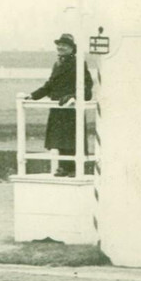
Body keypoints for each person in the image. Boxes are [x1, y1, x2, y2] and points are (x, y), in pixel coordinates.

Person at [25, 33, 93, 177]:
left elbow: (87, 87)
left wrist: (73, 97)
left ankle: (74, 168)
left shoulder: (78, 63)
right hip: (58, 107)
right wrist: (33, 95)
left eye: (64, 45)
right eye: (59, 44)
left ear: (71, 48)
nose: (60, 47)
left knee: (72, 138)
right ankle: (63, 167)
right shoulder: (58, 64)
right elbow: (50, 85)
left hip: (71, 108)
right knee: (60, 139)